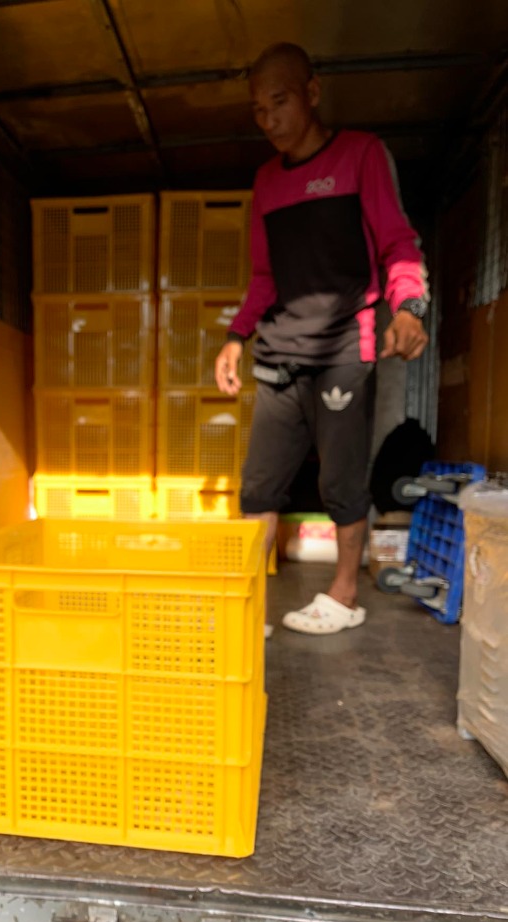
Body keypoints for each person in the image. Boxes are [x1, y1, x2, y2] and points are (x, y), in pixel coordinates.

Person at [214, 42, 429, 636]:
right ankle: (249, 605)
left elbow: (398, 242)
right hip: (279, 354)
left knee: (340, 481)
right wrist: (235, 337)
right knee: (258, 486)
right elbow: (264, 276)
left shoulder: (361, 154)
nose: (269, 120)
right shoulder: (266, 180)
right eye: (258, 110)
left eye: (279, 102)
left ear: (311, 93)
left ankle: (343, 595)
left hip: (343, 349)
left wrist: (408, 306)